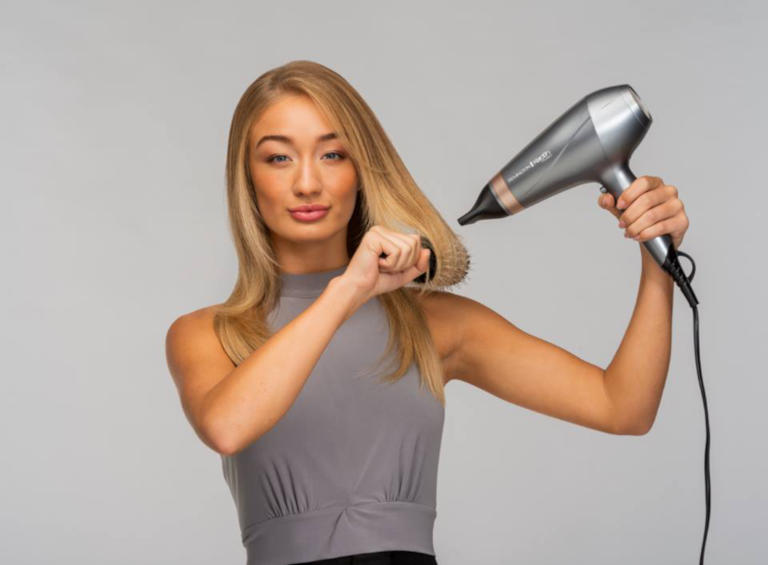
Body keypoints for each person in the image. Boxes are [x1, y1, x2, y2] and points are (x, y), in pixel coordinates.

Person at [165, 60, 690, 565]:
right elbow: (227, 427)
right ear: (247, 178)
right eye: (279, 158)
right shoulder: (207, 334)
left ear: (361, 170)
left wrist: (656, 262)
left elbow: (623, 407)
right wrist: (348, 292)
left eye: (333, 154)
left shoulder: (434, 323)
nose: (307, 183)